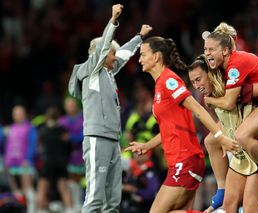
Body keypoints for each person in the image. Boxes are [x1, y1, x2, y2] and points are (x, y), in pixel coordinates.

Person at [124, 36, 239, 213]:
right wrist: (147, 145)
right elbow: (169, 128)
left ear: (156, 57)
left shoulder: (169, 81)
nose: (139, 59)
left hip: (185, 160)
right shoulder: (159, 86)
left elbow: (198, 110)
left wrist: (220, 137)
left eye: (143, 54)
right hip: (179, 161)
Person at [68, 4, 152, 212]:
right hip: (97, 138)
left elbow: (122, 54)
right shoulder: (91, 72)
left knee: (112, 200)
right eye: (110, 54)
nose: (115, 57)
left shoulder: (108, 73)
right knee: (95, 198)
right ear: (101, 54)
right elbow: (105, 47)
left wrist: (139, 37)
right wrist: (113, 20)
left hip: (113, 139)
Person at [203, 22, 258, 209]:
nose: (207, 53)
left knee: (241, 135)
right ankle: (221, 189)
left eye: (211, 49)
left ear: (225, 50)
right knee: (211, 140)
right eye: (205, 49)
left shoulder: (236, 65)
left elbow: (229, 102)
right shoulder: (227, 70)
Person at [188, 54, 258, 213]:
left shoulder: (234, 88)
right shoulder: (212, 95)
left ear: (211, 74)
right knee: (229, 206)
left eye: (198, 79)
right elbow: (226, 123)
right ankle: (221, 191)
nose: (196, 85)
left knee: (250, 209)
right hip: (241, 157)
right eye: (192, 82)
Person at [36, 106, 73, 213]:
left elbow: (40, 147)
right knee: (64, 187)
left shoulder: (43, 130)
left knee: (42, 187)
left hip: (48, 162)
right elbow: (69, 147)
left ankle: (40, 210)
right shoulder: (63, 131)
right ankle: (70, 209)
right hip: (61, 162)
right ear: (58, 117)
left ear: (47, 117)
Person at [3, 104, 37, 213]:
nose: (18, 115)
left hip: (24, 163)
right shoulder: (11, 128)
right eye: (16, 113)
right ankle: (21, 209)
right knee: (16, 190)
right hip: (11, 163)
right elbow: (8, 145)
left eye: (20, 113)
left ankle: (32, 209)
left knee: (27, 187)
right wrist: (6, 160)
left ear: (24, 114)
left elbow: (32, 144)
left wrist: (28, 158)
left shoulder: (30, 128)